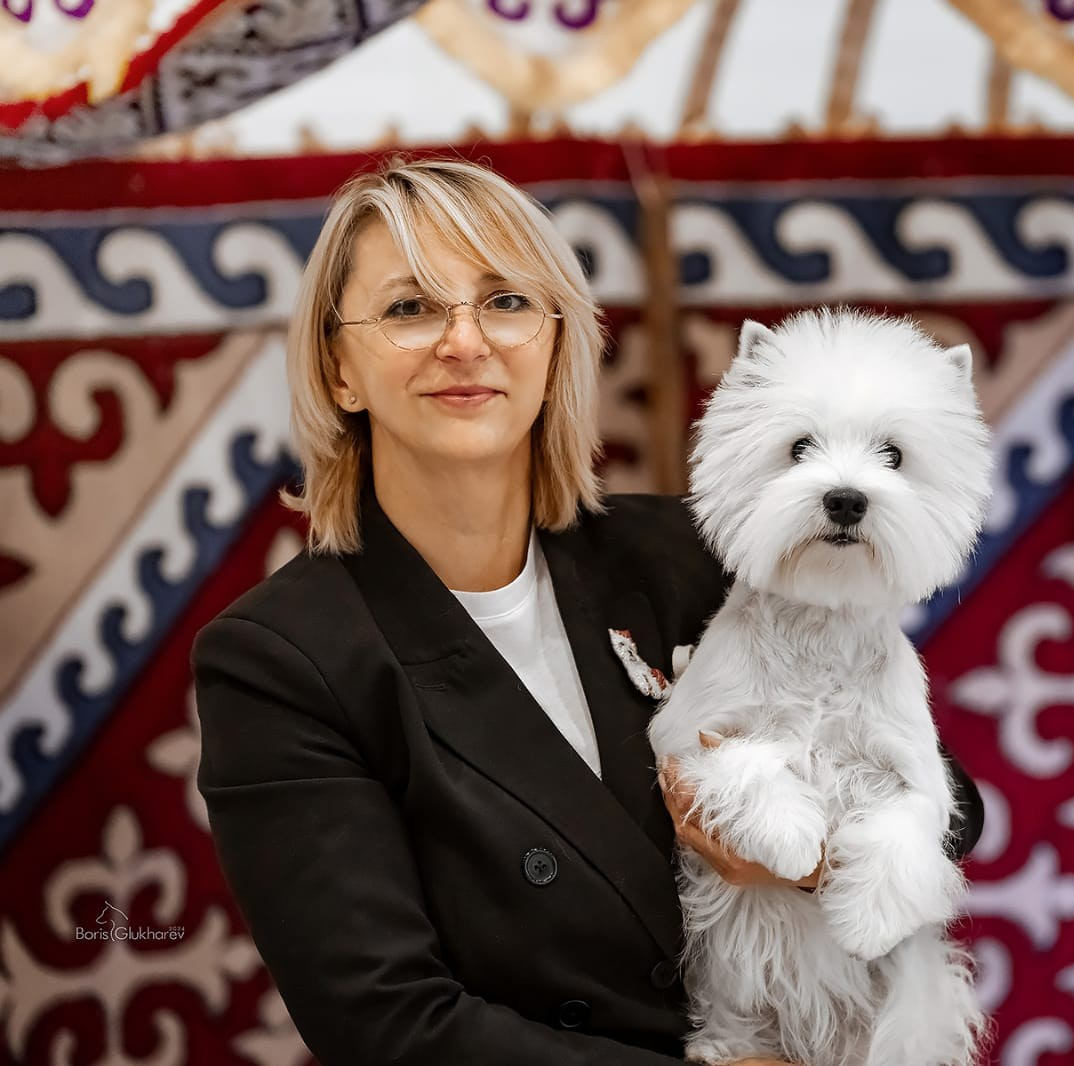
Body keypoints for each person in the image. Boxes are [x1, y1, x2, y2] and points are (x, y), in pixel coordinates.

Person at [190, 157, 983, 1066]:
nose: (463, 340)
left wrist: (811, 861)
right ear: (339, 370)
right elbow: (389, 1027)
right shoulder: (279, 662)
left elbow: (951, 801)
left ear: (557, 343)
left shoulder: (691, 554)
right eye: (410, 308)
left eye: (505, 301)